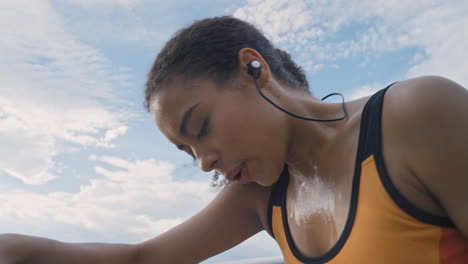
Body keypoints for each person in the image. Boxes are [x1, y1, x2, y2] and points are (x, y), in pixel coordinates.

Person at [1, 16, 467, 264]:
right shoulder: (263, 195)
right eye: (187, 152)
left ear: (254, 69)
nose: (203, 163)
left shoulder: (413, 116)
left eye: (200, 128)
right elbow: (143, 259)